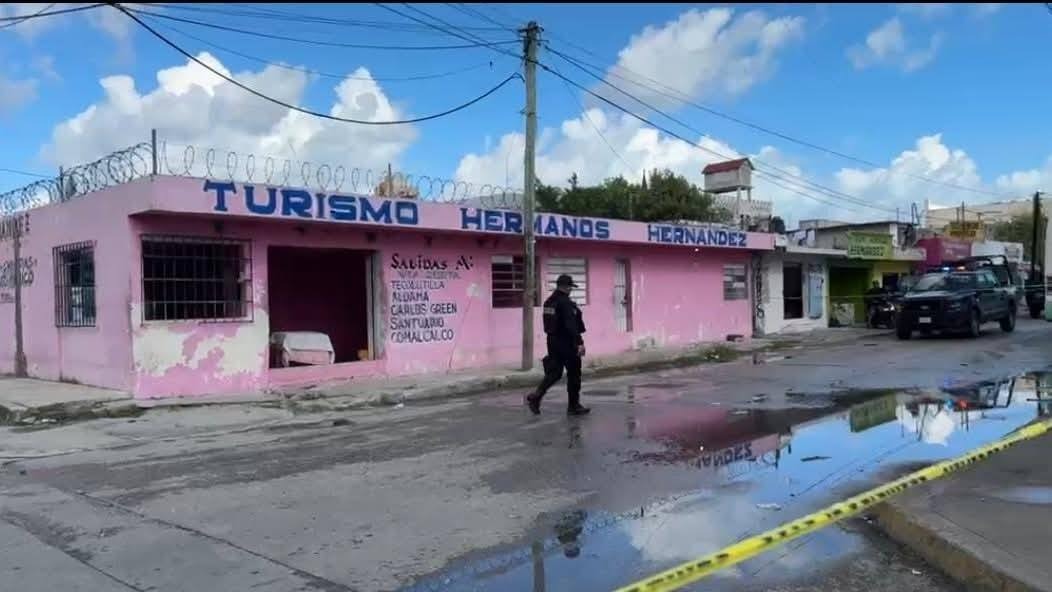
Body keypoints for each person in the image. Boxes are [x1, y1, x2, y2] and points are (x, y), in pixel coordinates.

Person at [526, 274, 590, 416]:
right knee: (574, 374)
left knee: (554, 373)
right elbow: (570, 325)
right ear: (565, 287)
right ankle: (573, 406)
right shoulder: (565, 303)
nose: (571, 290)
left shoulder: (549, 302)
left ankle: (537, 396)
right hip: (567, 342)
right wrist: (579, 343)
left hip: (552, 341)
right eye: (570, 287)